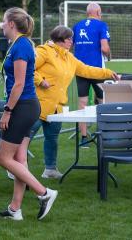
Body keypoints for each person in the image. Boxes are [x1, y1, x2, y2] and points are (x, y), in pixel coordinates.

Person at [29, 26, 119, 178]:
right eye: (69, 38)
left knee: (52, 139)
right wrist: (40, 81)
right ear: (61, 39)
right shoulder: (44, 51)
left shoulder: (69, 58)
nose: (72, 41)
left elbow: (87, 70)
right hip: (37, 105)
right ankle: (13, 166)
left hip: (58, 107)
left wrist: (108, 73)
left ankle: (50, 169)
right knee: (25, 137)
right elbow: (27, 67)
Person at [0, 7, 57, 221]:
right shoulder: (20, 44)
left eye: (3, 21)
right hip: (27, 106)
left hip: (22, 107)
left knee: (3, 158)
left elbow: (19, 84)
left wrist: (7, 112)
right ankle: (15, 209)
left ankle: (44, 193)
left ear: (11, 23)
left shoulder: (21, 46)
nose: (1, 25)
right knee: (20, 158)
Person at [73, 2, 111, 147]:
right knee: (102, 102)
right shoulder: (101, 25)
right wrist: (109, 54)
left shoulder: (77, 26)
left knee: (82, 102)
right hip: (96, 70)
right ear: (98, 12)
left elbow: (70, 45)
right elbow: (104, 47)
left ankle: (83, 138)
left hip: (80, 68)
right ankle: (103, 135)